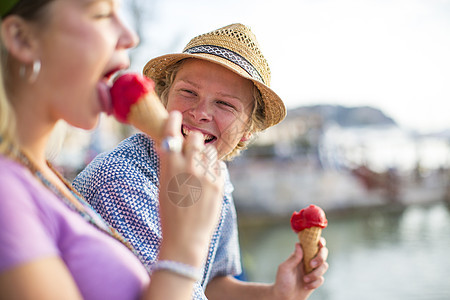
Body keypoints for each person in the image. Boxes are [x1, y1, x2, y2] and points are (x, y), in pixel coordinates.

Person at [74, 23, 329, 300]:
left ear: (247, 131)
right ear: (164, 97)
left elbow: (209, 283)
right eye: (188, 92)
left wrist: (276, 294)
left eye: (225, 104)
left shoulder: (215, 173)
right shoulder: (122, 181)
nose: (200, 112)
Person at [0, 1, 225, 299]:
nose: (131, 36)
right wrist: (184, 250)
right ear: (21, 39)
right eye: (102, 13)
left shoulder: (38, 173)